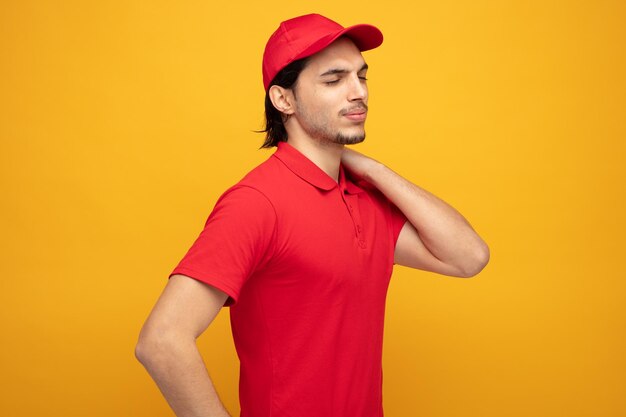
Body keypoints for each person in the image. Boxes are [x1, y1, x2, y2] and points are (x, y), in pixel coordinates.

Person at [135, 13, 489, 417]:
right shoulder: (257, 201)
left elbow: (468, 257)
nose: (358, 93)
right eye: (334, 79)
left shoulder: (366, 197)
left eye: (362, 76)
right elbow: (162, 340)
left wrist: (373, 169)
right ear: (283, 99)